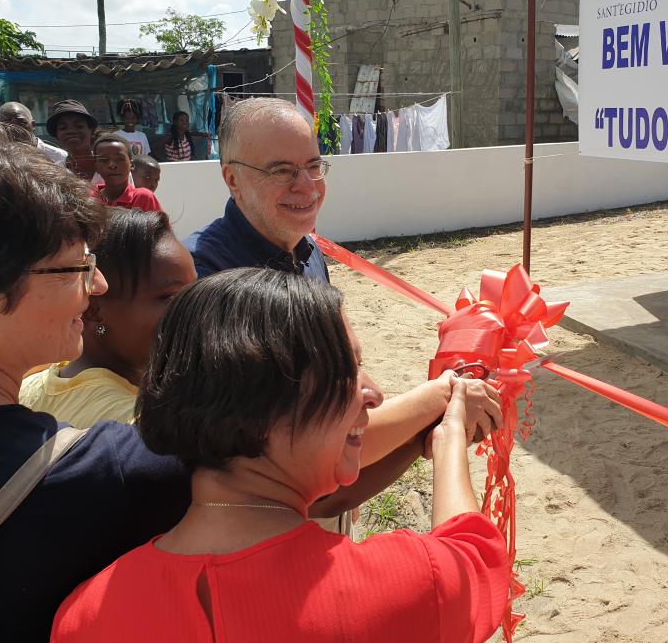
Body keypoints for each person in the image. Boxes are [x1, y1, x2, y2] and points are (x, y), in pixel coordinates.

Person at [48, 269, 509, 643]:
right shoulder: (401, 584)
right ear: (266, 405)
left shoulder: (83, 619)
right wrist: (449, 437)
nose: (372, 392)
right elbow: (475, 555)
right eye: (347, 367)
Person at [0, 115, 189, 643]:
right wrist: (433, 401)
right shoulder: (90, 476)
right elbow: (284, 460)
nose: (97, 287)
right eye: (76, 268)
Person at [185, 97, 502, 528]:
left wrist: (427, 426)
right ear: (232, 179)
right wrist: (441, 399)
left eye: (314, 166)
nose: (307, 185)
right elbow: (300, 444)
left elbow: (336, 418)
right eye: (282, 171)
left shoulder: (306, 250)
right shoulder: (207, 279)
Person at [20, 208, 195, 429]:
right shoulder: (139, 428)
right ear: (93, 309)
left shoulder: (33, 383)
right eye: (169, 297)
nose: (194, 308)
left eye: (193, 291)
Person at [92, 133, 162, 212]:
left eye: (119, 159)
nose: (112, 165)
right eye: (104, 160)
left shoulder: (143, 197)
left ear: (131, 165)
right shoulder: (89, 198)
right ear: (96, 167)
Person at [0, 101, 68, 164]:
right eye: (7, 124)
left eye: (22, 123)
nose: (15, 129)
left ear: (33, 125)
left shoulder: (59, 157)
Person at [46, 99, 99, 182]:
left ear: (92, 131)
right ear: (56, 136)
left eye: (79, 126)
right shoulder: (54, 174)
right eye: (63, 128)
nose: (71, 131)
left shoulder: (112, 165)